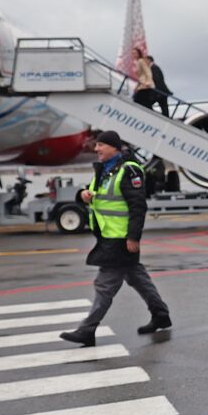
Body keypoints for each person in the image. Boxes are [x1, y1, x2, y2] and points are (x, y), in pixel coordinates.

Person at [60, 130, 171, 346]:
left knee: (105, 285)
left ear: (114, 148)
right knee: (137, 277)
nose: (96, 149)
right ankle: (161, 315)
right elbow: (98, 196)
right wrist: (84, 195)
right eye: (97, 145)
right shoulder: (105, 170)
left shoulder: (129, 171)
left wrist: (133, 237)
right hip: (108, 235)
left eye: (101, 145)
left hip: (120, 239)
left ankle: (87, 329)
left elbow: (138, 206)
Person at [131, 48, 170, 118]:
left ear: (149, 60)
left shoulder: (149, 65)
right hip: (150, 87)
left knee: (140, 100)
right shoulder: (139, 62)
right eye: (132, 53)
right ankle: (156, 116)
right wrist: (137, 86)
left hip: (155, 89)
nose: (133, 55)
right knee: (146, 102)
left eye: (135, 53)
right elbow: (141, 77)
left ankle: (155, 116)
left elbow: (149, 74)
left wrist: (149, 83)